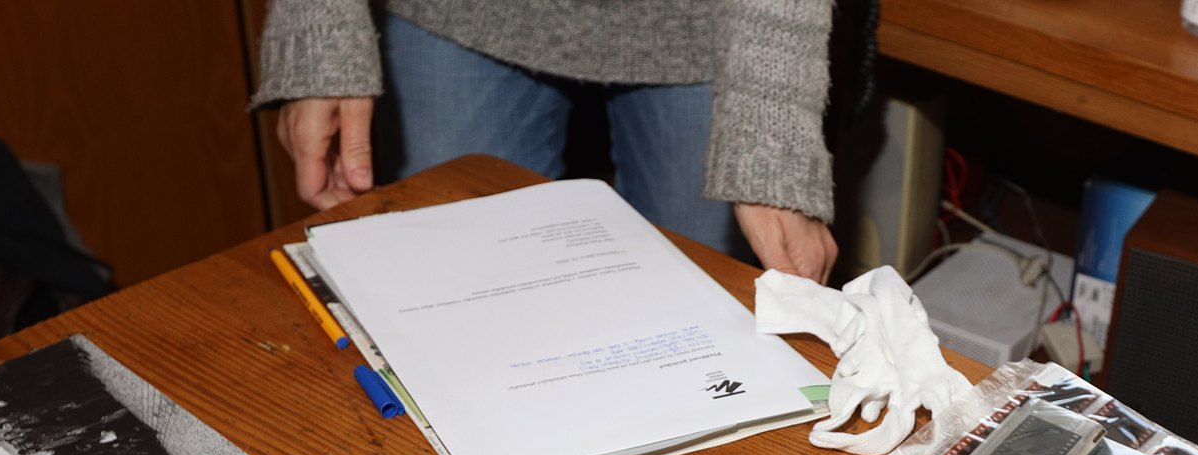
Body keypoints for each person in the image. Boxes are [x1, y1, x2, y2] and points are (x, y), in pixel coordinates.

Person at [253, 0, 839, 283]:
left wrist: (772, 129)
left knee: (708, 302)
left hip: (709, 22)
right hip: (454, 15)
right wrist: (315, 24)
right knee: (459, 287)